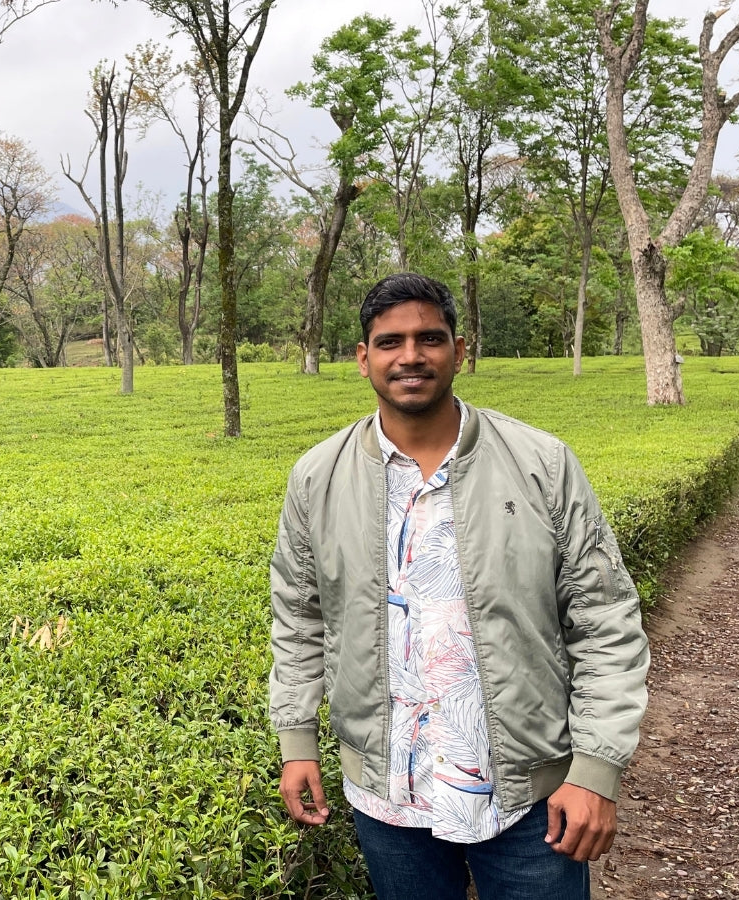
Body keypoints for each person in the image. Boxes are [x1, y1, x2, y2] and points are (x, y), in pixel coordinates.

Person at [268, 273, 649, 900]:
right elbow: (300, 618)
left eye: (430, 338)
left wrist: (597, 770)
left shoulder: (542, 463)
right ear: (363, 358)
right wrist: (296, 740)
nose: (411, 356)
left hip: (530, 796)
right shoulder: (317, 477)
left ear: (460, 350)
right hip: (390, 798)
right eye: (390, 342)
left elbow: (605, 619)